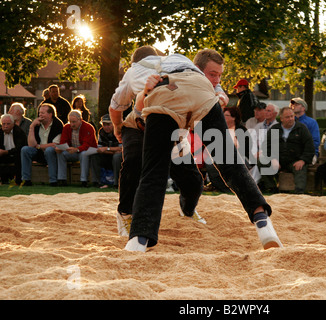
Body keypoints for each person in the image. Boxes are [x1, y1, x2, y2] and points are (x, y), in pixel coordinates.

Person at [123, 53, 282, 252]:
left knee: (154, 172)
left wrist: (118, 122)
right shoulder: (187, 65)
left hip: (165, 99)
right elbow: (211, 87)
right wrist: (220, 97)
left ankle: (138, 239)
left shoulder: (137, 69)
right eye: (213, 74)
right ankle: (262, 220)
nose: (216, 79)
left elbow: (124, 104)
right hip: (200, 98)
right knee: (229, 161)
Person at [110, 46, 228, 235]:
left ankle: (187, 209)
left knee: (193, 180)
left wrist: (220, 94)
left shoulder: (178, 66)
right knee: (134, 162)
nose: (216, 80)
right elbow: (116, 105)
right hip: (139, 125)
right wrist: (118, 127)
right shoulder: (135, 73)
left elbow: (115, 106)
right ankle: (125, 213)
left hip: (171, 129)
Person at [258, 107, 315, 194]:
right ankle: (272, 188)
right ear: (281, 119)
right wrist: (273, 159)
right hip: (277, 160)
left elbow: (310, 147)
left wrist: (303, 160)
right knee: (262, 162)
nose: (291, 119)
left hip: (295, 160)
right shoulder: (274, 129)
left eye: (292, 116)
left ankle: (299, 193)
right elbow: (266, 147)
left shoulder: (302, 128)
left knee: (300, 168)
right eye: (288, 117)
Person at [21, 103, 63, 186]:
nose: (40, 115)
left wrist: (39, 146)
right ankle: (26, 180)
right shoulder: (36, 124)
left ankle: (53, 181)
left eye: (43, 113)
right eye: (39, 113)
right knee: (25, 150)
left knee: (49, 150)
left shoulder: (58, 125)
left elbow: (55, 144)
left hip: (52, 153)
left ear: (50, 114)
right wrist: (32, 127)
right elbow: (31, 145)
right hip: (38, 152)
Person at [56, 110, 97, 187]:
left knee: (84, 154)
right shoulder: (66, 127)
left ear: (80, 120)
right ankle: (61, 179)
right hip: (73, 151)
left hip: (87, 151)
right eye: (70, 122)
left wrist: (76, 149)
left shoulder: (88, 127)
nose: (72, 124)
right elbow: (63, 142)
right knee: (61, 153)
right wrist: (63, 148)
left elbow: (87, 145)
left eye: (74, 122)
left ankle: (84, 180)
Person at [90, 114, 122, 188]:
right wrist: (111, 150)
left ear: (113, 124)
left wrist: (107, 149)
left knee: (117, 157)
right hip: (107, 154)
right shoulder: (101, 132)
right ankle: (96, 182)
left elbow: (121, 149)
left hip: (118, 156)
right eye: (104, 124)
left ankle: (116, 183)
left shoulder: (119, 131)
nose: (106, 127)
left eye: (108, 124)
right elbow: (100, 149)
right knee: (95, 155)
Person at [0, 114, 27, 185]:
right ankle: (3, 180)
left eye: (8, 124)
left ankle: (18, 180)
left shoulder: (19, 132)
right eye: (3, 124)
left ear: (13, 124)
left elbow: (20, 147)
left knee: (19, 156)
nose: (5, 126)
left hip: (16, 154)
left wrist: (6, 152)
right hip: (4, 155)